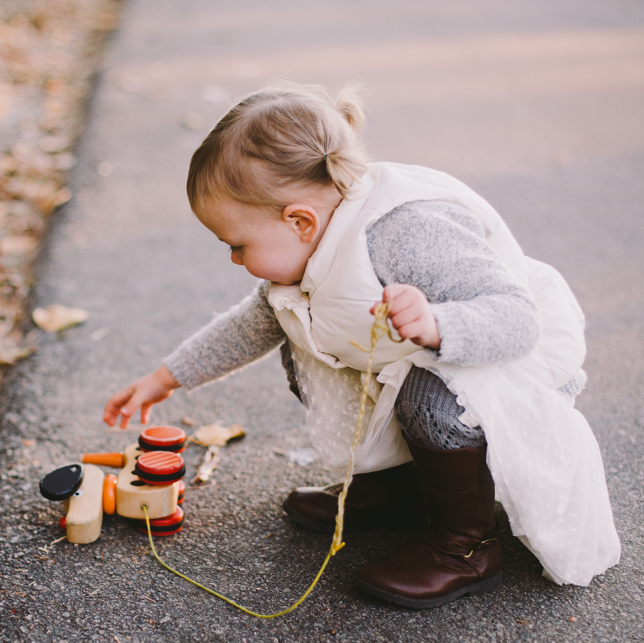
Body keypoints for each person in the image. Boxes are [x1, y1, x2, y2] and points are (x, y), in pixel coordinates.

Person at [102, 82, 620, 608]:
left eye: (238, 245)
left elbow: (517, 320)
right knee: (301, 341)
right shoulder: (313, 245)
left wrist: (438, 323)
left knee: (427, 393)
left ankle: (465, 545)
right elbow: (253, 323)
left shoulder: (405, 231)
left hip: (500, 360)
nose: (235, 259)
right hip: (429, 353)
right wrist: (167, 376)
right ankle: (404, 489)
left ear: (299, 220)